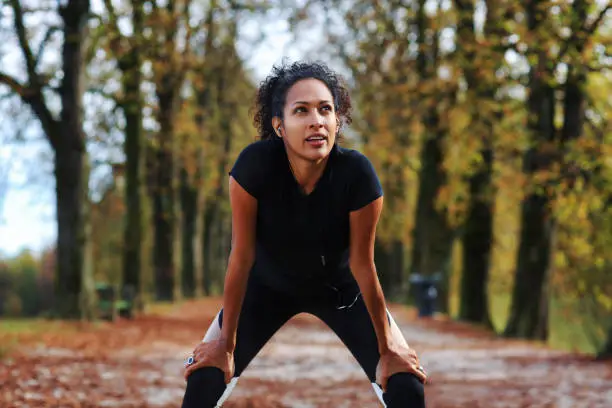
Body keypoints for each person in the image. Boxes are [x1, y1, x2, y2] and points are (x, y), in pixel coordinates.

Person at [181, 61, 427, 408]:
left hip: (341, 290)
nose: (317, 120)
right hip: (265, 288)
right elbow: (242, 256)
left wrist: (388, 350)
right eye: (301, 110)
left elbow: (362, 263)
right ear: (278, 125)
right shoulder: (254, 167)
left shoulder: (358, 175)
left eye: (326, 109)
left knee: (406, 386)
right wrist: (225, 345)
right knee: (204, 379)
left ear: (337, 120)